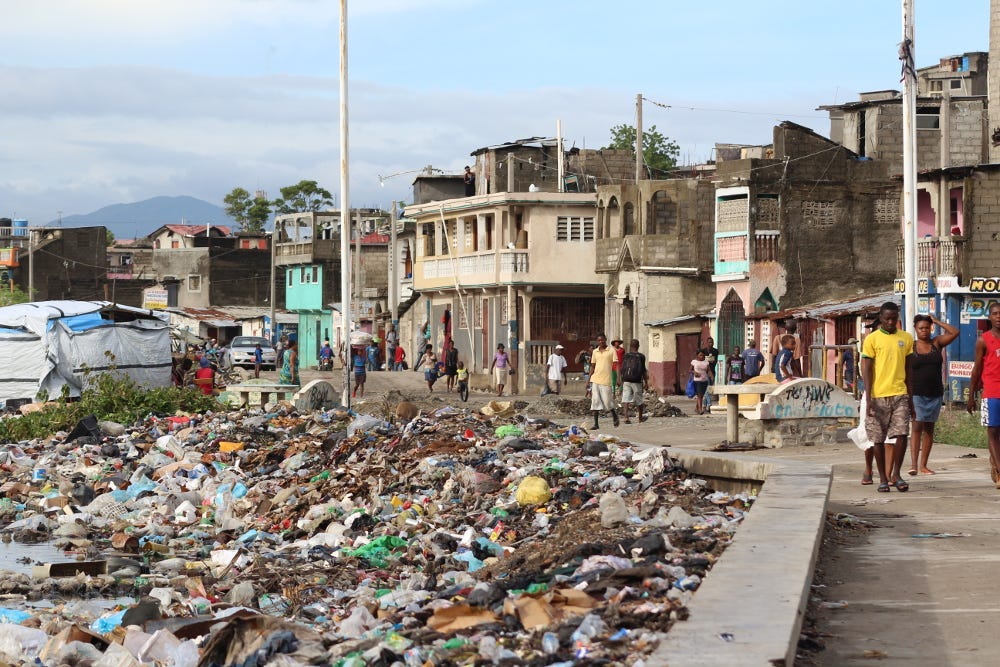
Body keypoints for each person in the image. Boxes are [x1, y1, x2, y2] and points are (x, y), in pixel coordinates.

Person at [860, 302, 913, 493]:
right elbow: (866, 369)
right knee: (878, 439)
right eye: (887, 318)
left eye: (894, 318)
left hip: (900, 393)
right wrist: (868, 398)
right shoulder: (872, 339)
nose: (891, 322)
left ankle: (896, 474)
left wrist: (911, 397)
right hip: (877, 395)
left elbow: (908, 369)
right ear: (881, 318)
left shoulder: (906, 338)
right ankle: (882, 478)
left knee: (901, 434)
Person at [909, 314, 958, 476]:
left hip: (935, 392)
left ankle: (924, 465)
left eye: (927, 328)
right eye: (920, 328)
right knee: (917, 426)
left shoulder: (936, 342)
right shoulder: (911, 346)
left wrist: (936, 321)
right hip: (916, 392)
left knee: (929, 429)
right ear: (915, 329)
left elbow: (955, 332)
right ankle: (913, 465)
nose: (924, 331)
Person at [967, 302, 1000, 489]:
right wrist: (971, 396)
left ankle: (995, 463)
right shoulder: (983, 340)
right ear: (990, 317)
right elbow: (976, 369)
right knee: (993, 431)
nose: (998, 317)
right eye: (995, 314)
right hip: (992, 392)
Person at [589, 334, 619, 429]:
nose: (601, 342)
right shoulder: (595, 352)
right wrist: (589, 379)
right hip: (595, 379)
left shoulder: (611, 350)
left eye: (602, 340)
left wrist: (618, 378)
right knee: (595, 402)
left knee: (607, 402)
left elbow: (616, 364)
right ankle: (596, 424)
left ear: (605, 340)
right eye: (599, 340)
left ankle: (614, 414)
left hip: (606, 380)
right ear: (597, 341)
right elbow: (592, 366)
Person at [620, 339, 648, 424]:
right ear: (638, 346)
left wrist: (621, 380)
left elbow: (622, 369)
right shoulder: (641, 356)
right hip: (637, 381)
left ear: (630, 346)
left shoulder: (626, 355)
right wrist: (646, 382)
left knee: (626, 398)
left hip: (626, 380)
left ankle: (626, 417)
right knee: (638, 399)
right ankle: (640, 418)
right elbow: (643, 370)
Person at [689, 351, 713, 415]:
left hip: (704, 381)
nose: (702, 356)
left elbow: (709, 371)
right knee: (699, 395)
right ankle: (700, 409)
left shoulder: (706, 362)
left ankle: (696, 408)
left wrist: (711, 377)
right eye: (700, 355)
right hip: (697, 380)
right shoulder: (694, 362)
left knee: (701, 395)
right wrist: (694, 372)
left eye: (703, 355)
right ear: (697, 356)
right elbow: (690, 370)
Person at [699, 337, 719, 409]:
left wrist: (712, 361)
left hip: (712, 371)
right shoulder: (704, 350)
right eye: (709, 342)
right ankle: (709, 404)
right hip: (705, 372)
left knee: (709, 388)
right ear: (707, 343)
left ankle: (704, 405)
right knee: (707, 388)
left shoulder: (715, 351)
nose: (711, 344)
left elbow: (716, 361)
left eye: (712, 342)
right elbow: (700, 358)